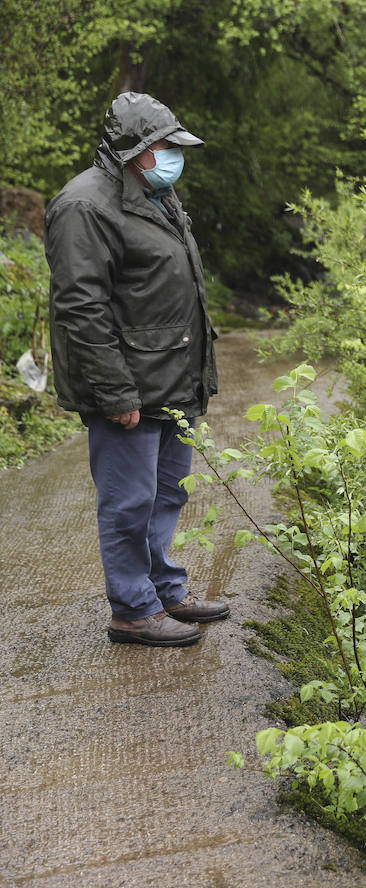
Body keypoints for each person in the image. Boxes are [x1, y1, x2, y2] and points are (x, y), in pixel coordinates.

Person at [45, 92, 227, 647]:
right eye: (165, 146)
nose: (175, 155)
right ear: (134, 149)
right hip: (126, 386)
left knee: (168, 491)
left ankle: (164, 589)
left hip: (171, 380)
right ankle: (132, 609)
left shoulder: (157, 193)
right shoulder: (84, 206)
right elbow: (80, 307)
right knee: (129, 501)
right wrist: (115, 391)